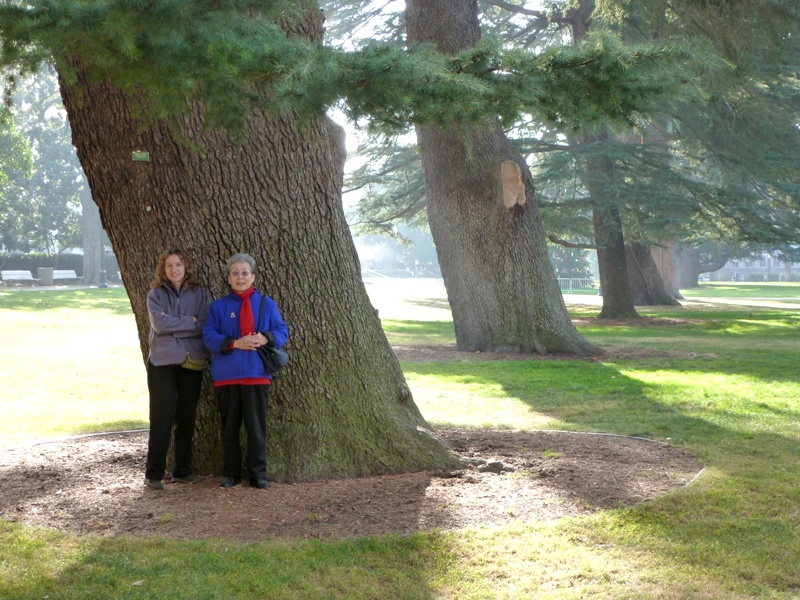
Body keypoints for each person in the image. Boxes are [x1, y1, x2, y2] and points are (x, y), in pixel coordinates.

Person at [202, 253, 289, 490]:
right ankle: (231, 473)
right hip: (226, 376)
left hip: (257, 374)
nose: (240, 277)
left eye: (244, 272)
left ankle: (258, 474)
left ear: (253, 276)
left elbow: (282, 331)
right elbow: (208, 337)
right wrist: (234, 343)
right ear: (228, 278)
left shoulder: (266, 304)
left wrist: (265, 337)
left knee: (256, 427)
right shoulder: (218, 307)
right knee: (229, 429)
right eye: (235, 273)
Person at [144, 248, 210, 490]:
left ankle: (182, 471)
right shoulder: (155, 295)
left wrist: (182, 324)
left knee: (186, 416)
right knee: (161, 417)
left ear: (186, 267)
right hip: (161, 362)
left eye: (179, 264)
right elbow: (159, 325)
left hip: (191, 362)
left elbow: (202, 324)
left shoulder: (199, 294)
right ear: (164, 269)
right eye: (169, 265)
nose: (174, 269)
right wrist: (188, 322)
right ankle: (153, 474)